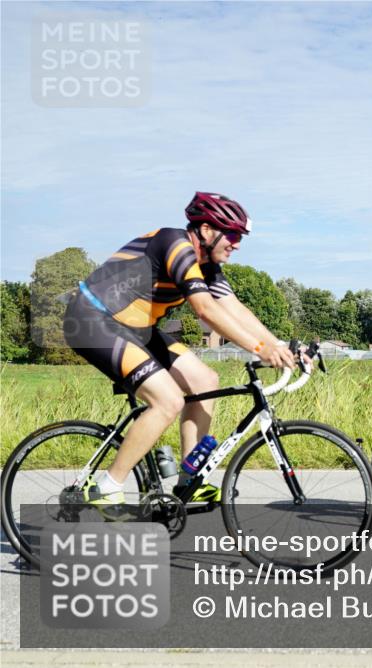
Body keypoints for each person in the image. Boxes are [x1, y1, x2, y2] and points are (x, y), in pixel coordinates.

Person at [63, 192, 296, 513]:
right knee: (168, 400)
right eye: (231, 234)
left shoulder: (208, 266)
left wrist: (279, 346)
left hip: (135, 329)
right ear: (205, 230)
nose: (237, 243)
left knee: (206, 379)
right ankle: (108, 486)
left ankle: (189, 480)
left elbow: (234, 309)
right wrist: (259, 349)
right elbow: (205, 311)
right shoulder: (175, 245)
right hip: (93, 320)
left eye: (239, 236)